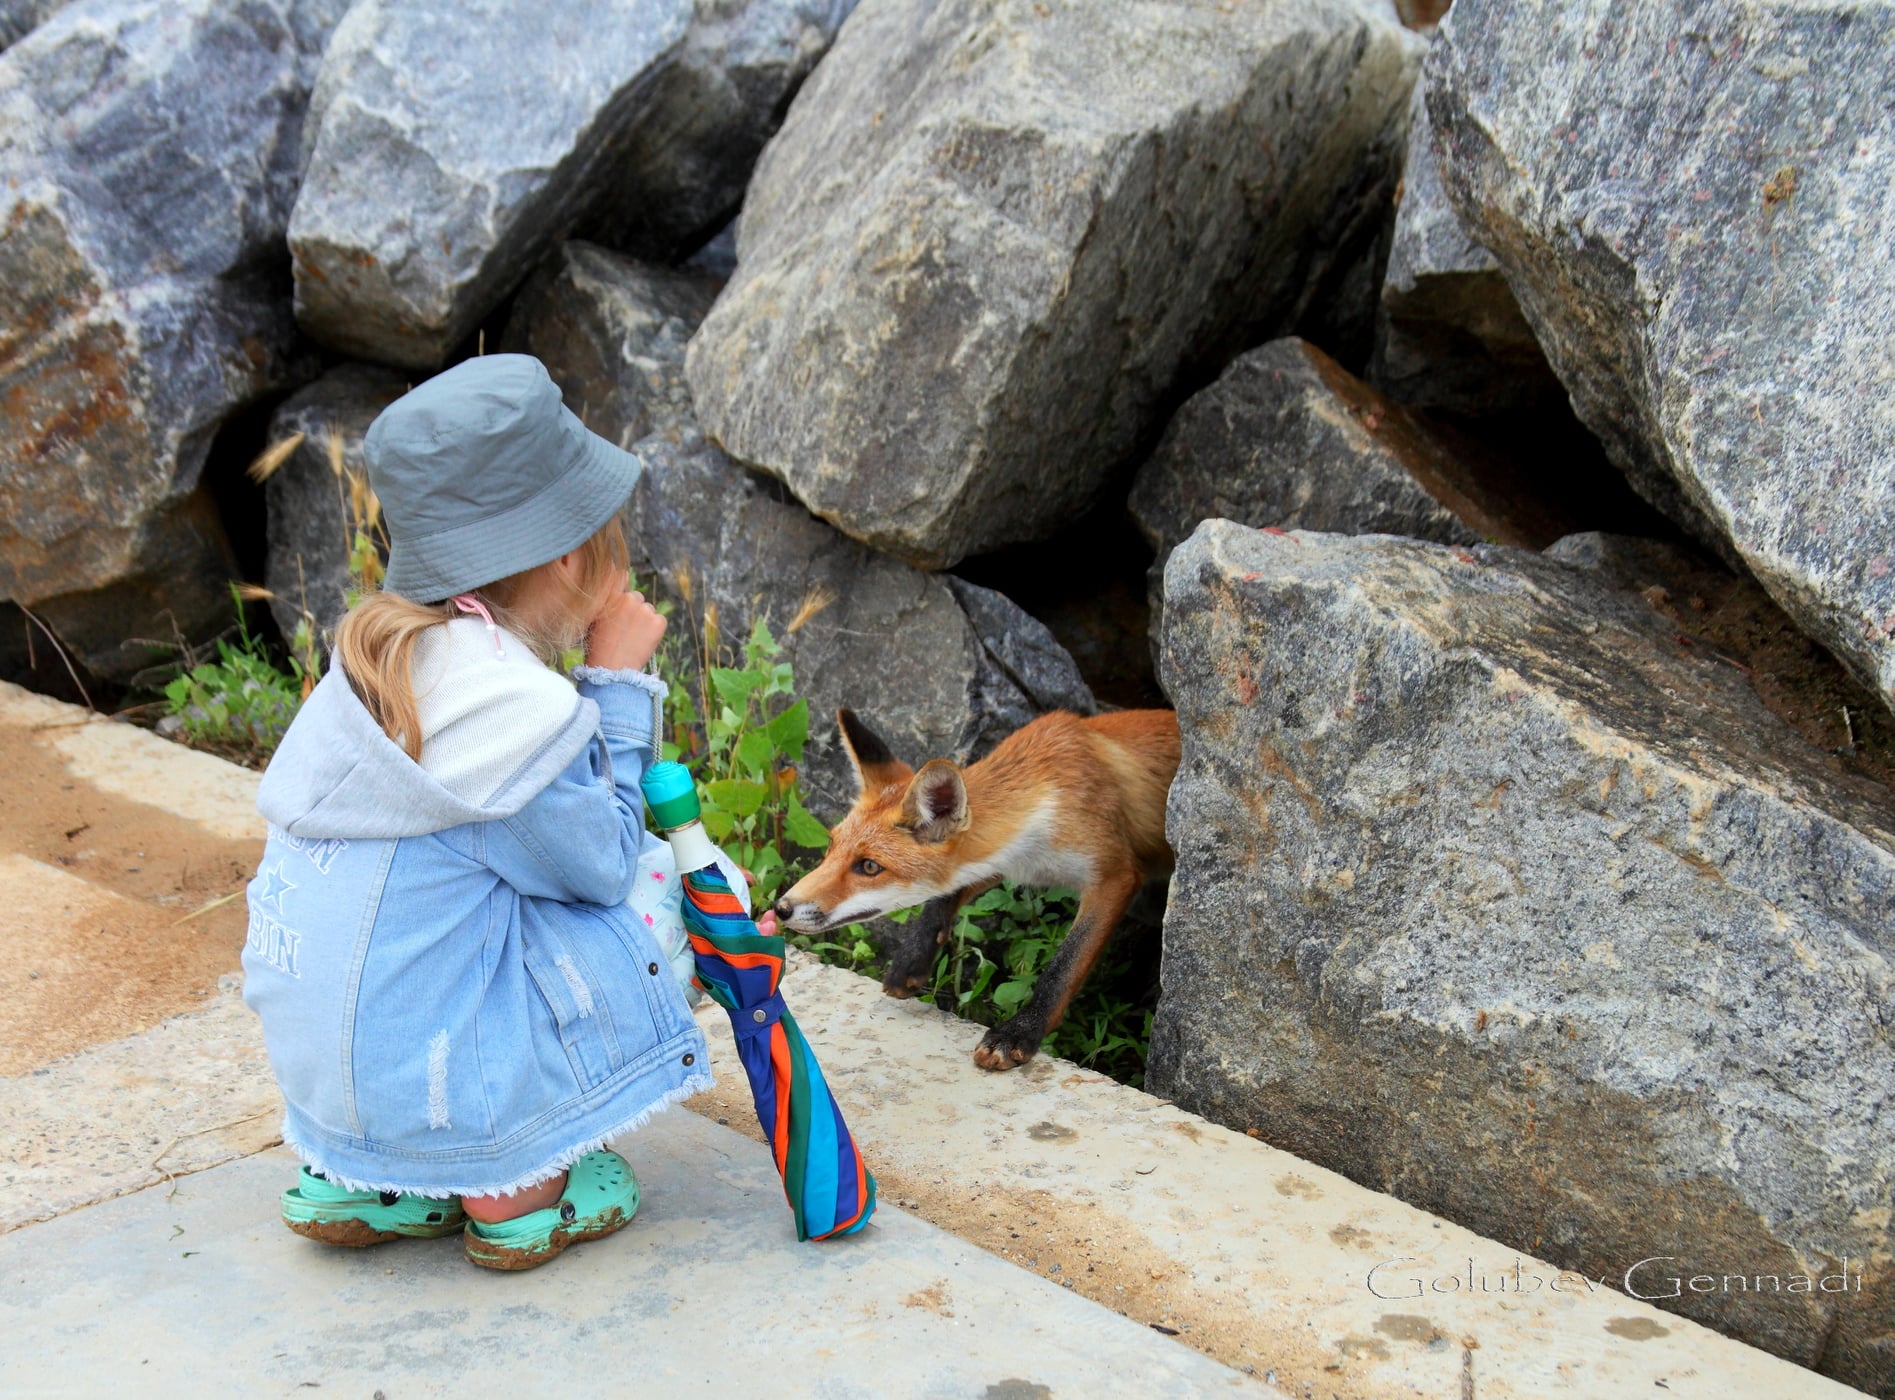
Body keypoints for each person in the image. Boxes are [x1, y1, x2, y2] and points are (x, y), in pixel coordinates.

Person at [242, 353, 738, 1270]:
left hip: (327, 1088)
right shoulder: (516, 709)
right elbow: (599, 867)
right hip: (443, 1088)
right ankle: (514, 1188)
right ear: (566, 549)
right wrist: (616, 688)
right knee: (679, 888)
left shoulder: (367, 664)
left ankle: (361, 1176)